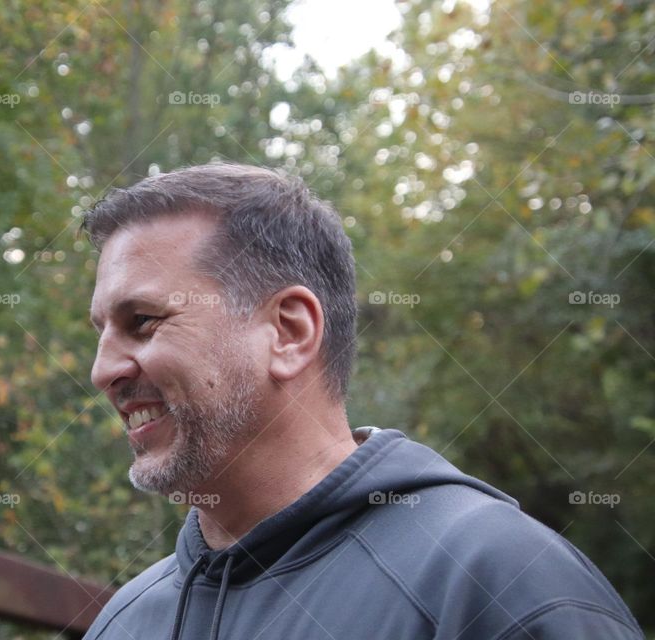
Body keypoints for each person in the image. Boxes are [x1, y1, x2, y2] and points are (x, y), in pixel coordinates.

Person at [80, 163, 643, 639]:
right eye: (102, 333)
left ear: (289, 333)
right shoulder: (123, 624)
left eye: (143, 321)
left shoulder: (496, 583)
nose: (102, 371)